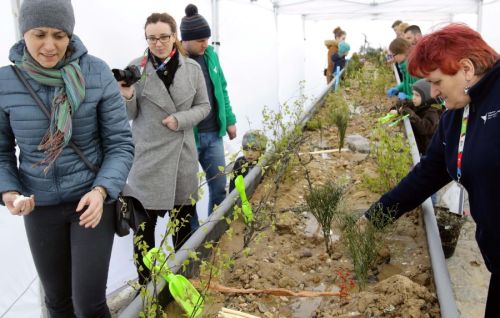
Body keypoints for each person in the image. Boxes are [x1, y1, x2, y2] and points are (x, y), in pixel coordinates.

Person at [0, 0, 134, 316]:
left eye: (59, 35)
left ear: (70, 35)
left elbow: (120, 144)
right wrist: (10, 192)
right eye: (39, 34)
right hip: (40, 206)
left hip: (90, 202)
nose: (50, 45)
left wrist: (102, 191)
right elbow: (2, 151)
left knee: (88, 304)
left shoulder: (97, 72)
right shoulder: (6, 82)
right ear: (24, 34)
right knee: (58, 302)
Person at [362, 24, 500, 318]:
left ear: (466, 68)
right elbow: (426, 175)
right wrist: (375, 216)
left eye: (436, 81)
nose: (433, 93)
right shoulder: (454, 117)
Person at [118, 12, 210, 286]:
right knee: (143, 232)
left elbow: (204, 106)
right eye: (152, 38)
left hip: (181, 158)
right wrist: (127, 94)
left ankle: (180, 282)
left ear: (174, 37)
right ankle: (146, 287)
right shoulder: (136, 68)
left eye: (164, 37)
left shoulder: (192, 69)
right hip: (147, 162)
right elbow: (129, 114)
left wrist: (180, 119)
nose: (158, 43)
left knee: (181, 228)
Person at [180, 4, 237, 217]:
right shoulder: (177, 62)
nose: (205, 44)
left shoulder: (211, 55)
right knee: (188, 194)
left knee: (219, 186)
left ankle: (216, 230)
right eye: (200, 40)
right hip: (188, 138)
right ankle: (195, 239)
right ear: (185, 39)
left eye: (207, 39)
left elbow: (221, 87)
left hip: (214, 134)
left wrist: (229, 119)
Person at [400, 79, 440, 154]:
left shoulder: (433, 111)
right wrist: (396, 109)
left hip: (427, 151)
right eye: (413, 94)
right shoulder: (419, 104)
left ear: (427, 96)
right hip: (420, 147)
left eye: (417, 95)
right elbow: (405, 104)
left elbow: (425, 128)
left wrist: (411, 114)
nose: (413, 97)